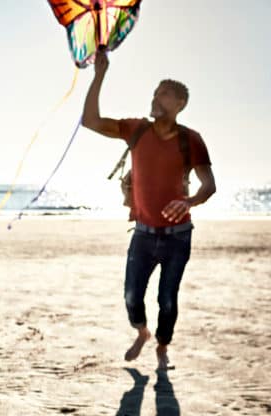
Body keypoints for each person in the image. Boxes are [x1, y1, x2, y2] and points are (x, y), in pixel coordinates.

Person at [82, 49, 216, 371]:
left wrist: (188, 202)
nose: (156, 97)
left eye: (165, 94)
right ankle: (142, 332)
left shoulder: (191, 140)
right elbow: (90, 121)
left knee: (167, 300)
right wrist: (99, 74)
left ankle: (162, 346)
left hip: (178, 237)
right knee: (131, 297)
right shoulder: (136, 129)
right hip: (142, 235)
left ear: (179, 104)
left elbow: (208, 185)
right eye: (155, 92)